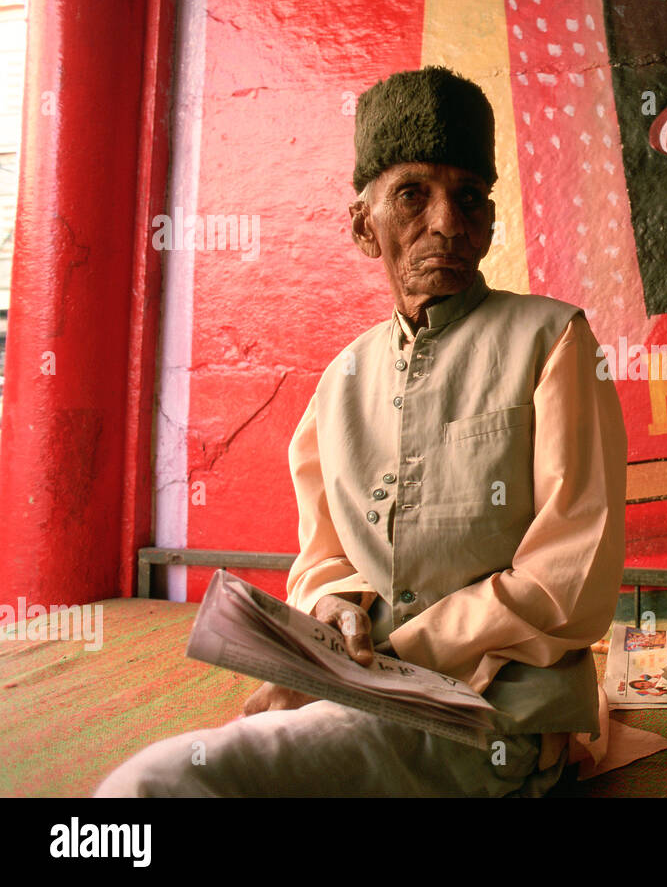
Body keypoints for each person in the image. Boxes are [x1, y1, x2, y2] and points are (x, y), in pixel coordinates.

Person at [95, 66, 627, 797]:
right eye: (413, 194)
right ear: (362, 225)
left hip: (497, 710)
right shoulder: (339, 383)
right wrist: (333, 615)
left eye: (469, 198)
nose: (447, 222)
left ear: (491, 222)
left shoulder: (553, 340)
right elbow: (323, 563)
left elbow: (566, 584)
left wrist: (375, 665)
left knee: (163, 784)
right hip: (365, 687)